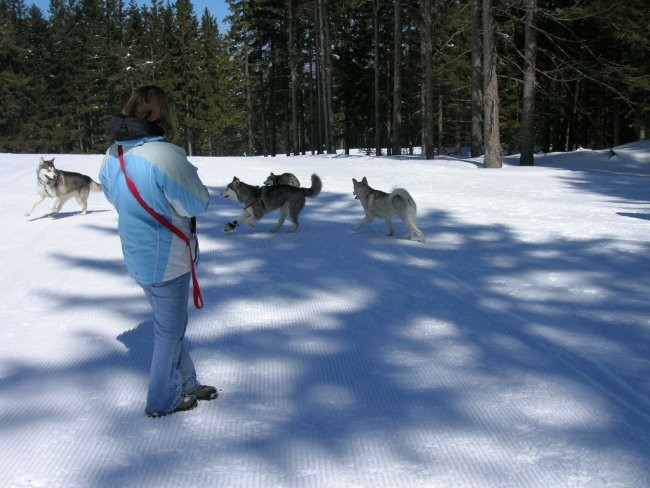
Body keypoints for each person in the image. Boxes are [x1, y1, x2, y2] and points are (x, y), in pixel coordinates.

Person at [99, 86, 216, 418]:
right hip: (167, 259)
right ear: (162, 112)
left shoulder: (113, 152)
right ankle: (162, 400)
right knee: (170, 332)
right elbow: (197, 203)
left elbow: (111, 192)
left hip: (137, 253)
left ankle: (187, 383)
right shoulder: (164, 155)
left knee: (171, 327)